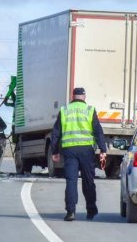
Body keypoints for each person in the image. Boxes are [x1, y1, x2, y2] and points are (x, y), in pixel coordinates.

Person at [50, 87, 107, 221]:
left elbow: (56, 132)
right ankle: (91, 210)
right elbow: (98, 131)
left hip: (69, 150)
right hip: (86, 150)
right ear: (84, 97)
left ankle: (71, 212)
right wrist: (103, 150)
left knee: (71, 181)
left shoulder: (64, 110)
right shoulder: (90, 110)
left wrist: (55, 151)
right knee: (88, 180)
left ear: (73, 96)